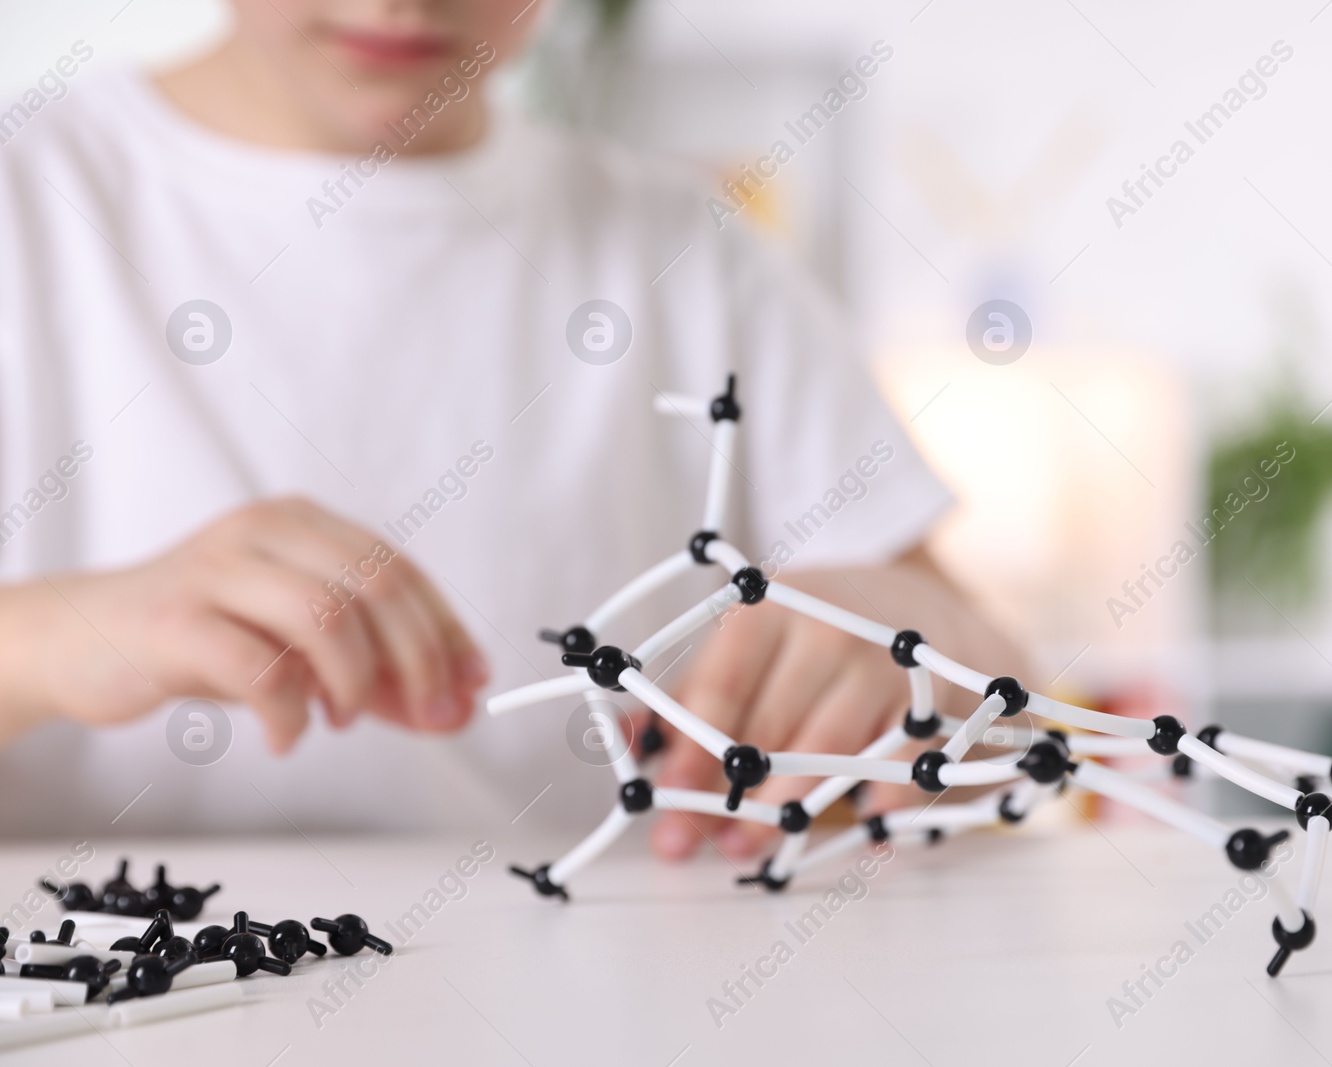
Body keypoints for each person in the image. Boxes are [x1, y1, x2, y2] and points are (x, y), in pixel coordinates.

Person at [0, 0, 1018, 860]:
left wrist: (908, 650)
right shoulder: (32, 204)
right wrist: (44, 640)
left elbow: (996, 696)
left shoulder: (684, 250)